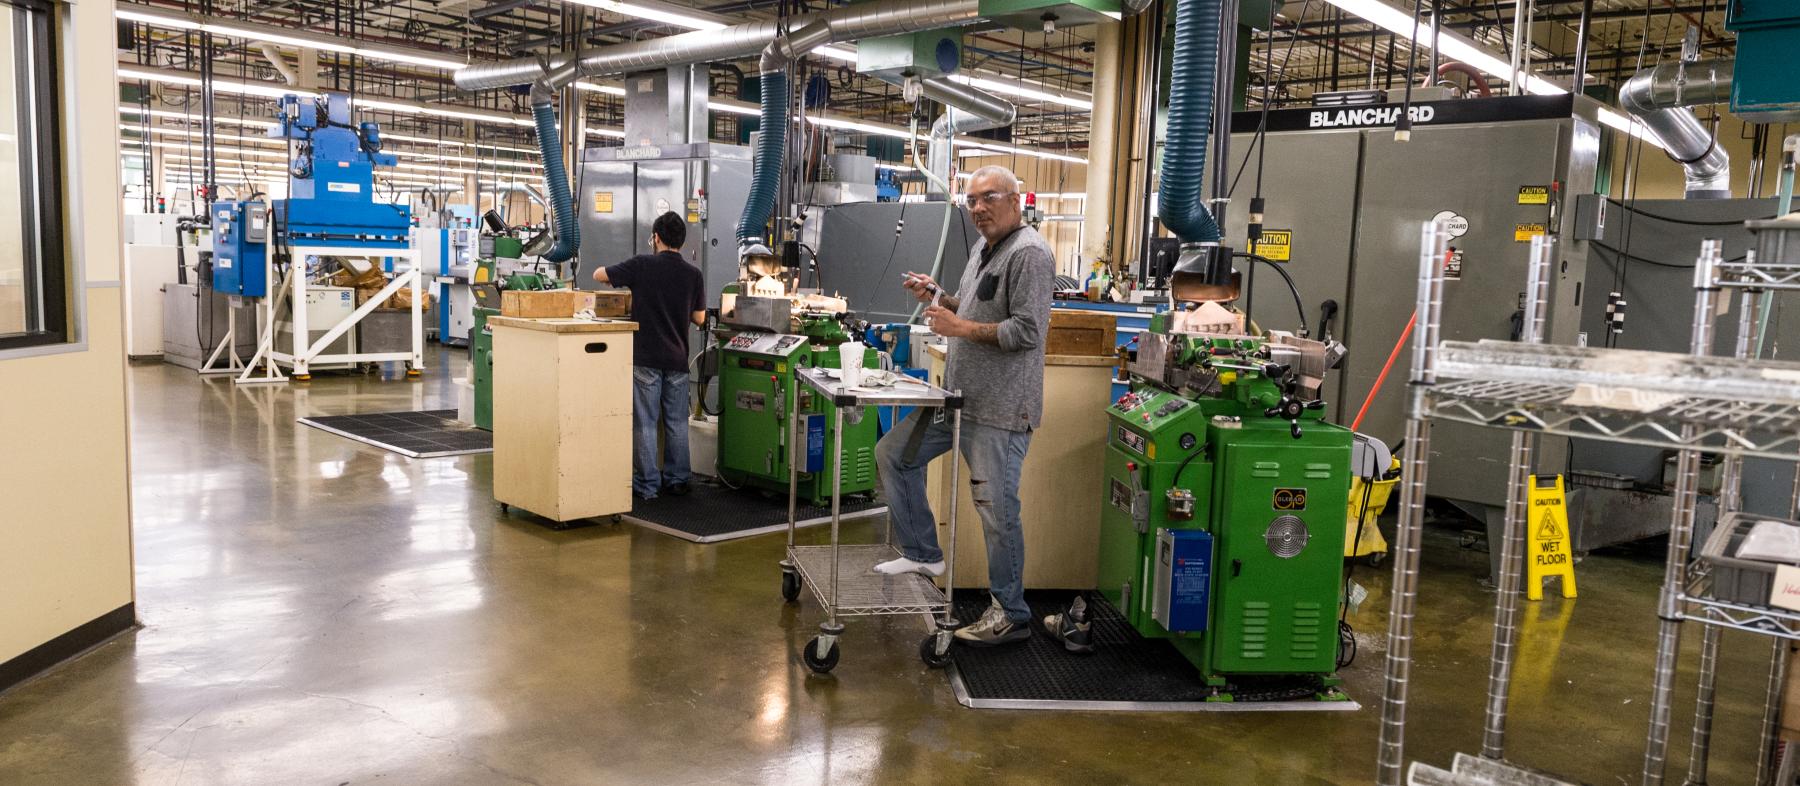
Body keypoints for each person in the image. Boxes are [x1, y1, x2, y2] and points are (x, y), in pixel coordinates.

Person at [873, 165, 1054, 647]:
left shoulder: (1030, 254)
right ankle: (922, 552)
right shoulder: (982, 248)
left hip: (999, 410)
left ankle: (1012, 613)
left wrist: (961, 329)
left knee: (997, 513)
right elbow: (971, 310)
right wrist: (938, 295)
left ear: (1015, 201)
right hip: (957, 400)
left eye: (987, 198)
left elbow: (1028, 332)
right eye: (970, 200)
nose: (977, 208)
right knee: (894, 453)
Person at [593, 211, 706, 500]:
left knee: (644, 422)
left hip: (646, 359)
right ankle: (678, 479)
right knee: (676, 422)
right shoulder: (694, 274)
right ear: (682, 240)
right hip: (678, 360)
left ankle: (647, 485)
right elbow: (700, 318)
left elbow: (599, 275)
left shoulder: (643, 265)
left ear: (656, 237)